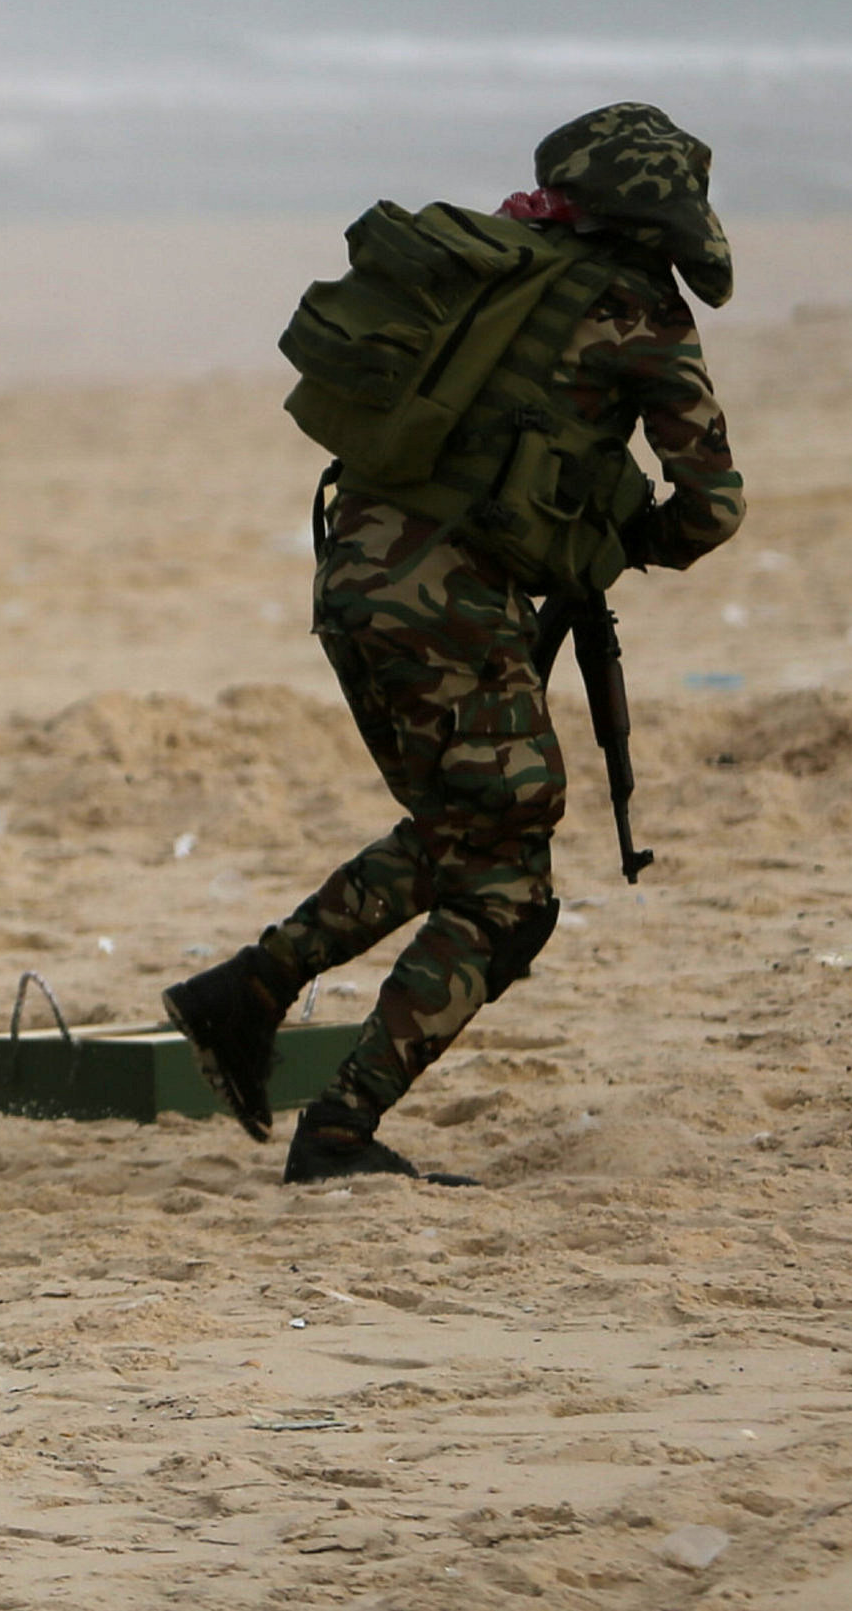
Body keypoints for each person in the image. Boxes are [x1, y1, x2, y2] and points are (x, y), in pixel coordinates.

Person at [165, 104, 746, 1183]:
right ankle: (308, 1079)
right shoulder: (640, 316)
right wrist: (614, 543)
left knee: (484, 849)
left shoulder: (491, 263)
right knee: (503, 869)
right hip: (454, 610)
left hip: (350, 576)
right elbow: (710, 508)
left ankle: (271, 1023)